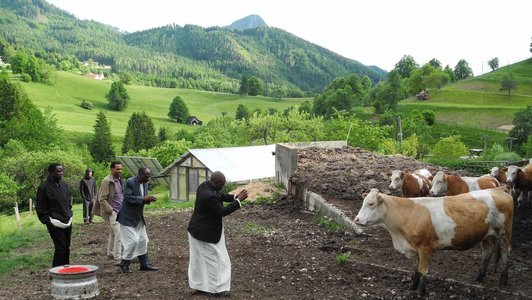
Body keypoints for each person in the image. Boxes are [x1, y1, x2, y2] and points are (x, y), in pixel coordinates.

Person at [187, 171, 249, 297]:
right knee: (215, 260)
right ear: (215, 182)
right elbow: (222, 211)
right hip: (203, 233)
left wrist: (234, 196)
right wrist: (238, 202)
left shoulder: (205, 185)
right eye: (222, 185)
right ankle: (217, 289)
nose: (222, 187)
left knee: (198, 260)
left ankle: (200, 285)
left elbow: (220, 194)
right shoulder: (208, 196)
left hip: (198, 229)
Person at [117, 166, 158, 273]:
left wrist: (147, 200)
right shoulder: (130, 182)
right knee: (133, 241)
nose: (148, 178)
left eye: (149, 176)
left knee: (143, 240)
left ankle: (144, 264)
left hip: (138, 216)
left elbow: (142, 198)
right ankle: (124, 264)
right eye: (146, 176)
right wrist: (143, 198)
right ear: (140, 174)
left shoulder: (145, 183)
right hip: (127, 217)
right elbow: (127, 198)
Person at [36, 163, 73, 267]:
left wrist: (70, 214)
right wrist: (48, 222)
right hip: (54, 222)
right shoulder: (43, 188)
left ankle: (66, 269)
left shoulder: (64, 185)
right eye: (59, 171)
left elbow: (68, 201)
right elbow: (40, 208)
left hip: (67, 220)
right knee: (60, 248)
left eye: (62, 171)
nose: (61, 173)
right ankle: (56, 272)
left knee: (67, 247)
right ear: (51, 172)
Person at [93, 161, 124, 265]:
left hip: (120, 210)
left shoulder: (119, 180)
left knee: (113, 233)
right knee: (119, 233)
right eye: (117, 169)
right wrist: (111, 211)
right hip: (113, 211)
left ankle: (110, 253)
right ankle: (118, 258)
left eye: (121, 169)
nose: (120, 171)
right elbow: (101, 199)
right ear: (111, 169)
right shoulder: (106, 181)